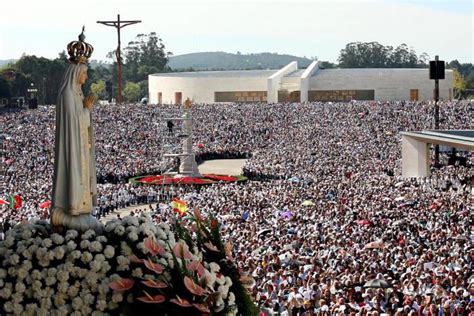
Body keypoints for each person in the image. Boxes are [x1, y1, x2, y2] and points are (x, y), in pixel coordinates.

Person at [50, 28, 102, 233]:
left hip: (82, 146)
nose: (86, 77)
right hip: (73, 147)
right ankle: (69, 210)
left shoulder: (77, 94)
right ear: (75, 73)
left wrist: (86, 110)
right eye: (84, 73)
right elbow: (73, 122)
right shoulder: (67, 95)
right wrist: (87, 110)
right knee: (75, 175)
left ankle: (82, 211)